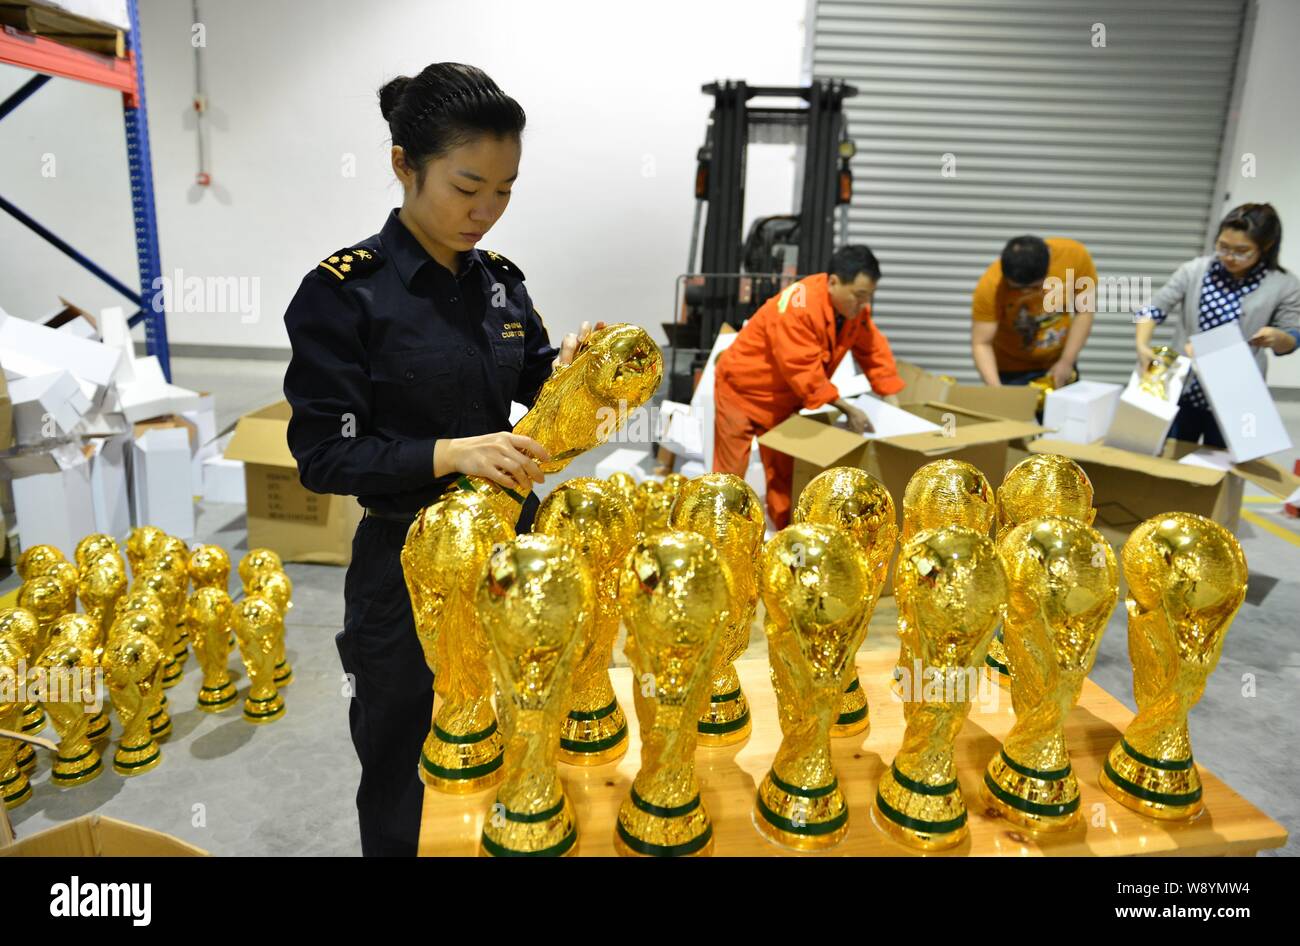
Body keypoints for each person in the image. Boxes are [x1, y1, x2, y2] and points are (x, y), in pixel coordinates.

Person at [282, 63, 594, 857]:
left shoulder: (498, 286)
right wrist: (451, 454)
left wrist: (579, 377)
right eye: (466, 186)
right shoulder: (345, 294)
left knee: (519, 738)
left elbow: (538, 384)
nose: (484, 212)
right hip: (402, 574)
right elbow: (324, 454)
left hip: (512, 563)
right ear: (402, 165)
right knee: (402, 766)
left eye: (505, 191)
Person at [712, 244, 905, 529]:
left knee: (784, 476)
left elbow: (874, 352)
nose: (864, 305)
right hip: (742, 390)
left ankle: (786, 538)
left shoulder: (853, 313)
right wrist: (847, 408)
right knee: (730, 477)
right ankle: (720, 538)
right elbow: (801, 368)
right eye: (859, 296)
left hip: (784, 400)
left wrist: (892, 400)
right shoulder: (798, 305)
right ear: (834, 282)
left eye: (869, 297)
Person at [1134, 202, 1300, 448]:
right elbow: (1155, 307)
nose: (1230, 257)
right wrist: (1141, 344)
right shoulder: (1195, 271)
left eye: (1242, 251)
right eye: (1223, 247)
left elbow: (1292, 336)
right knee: (1171, 455)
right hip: (1185, 385)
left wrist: (1278, 337)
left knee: (1224, 462)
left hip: (1236, 390)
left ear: (1265, 246)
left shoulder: (1283, 284)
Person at [970, 234, 1097, 387]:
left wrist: (1067, 361)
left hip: (1058, 362)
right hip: (1011, 371)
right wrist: (997, 391)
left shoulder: (1074, 257)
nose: (1025, 293)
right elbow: (981, 343)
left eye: (1033, 287)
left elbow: (1084, 311)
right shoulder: (991, 285)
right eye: (1016, 288)